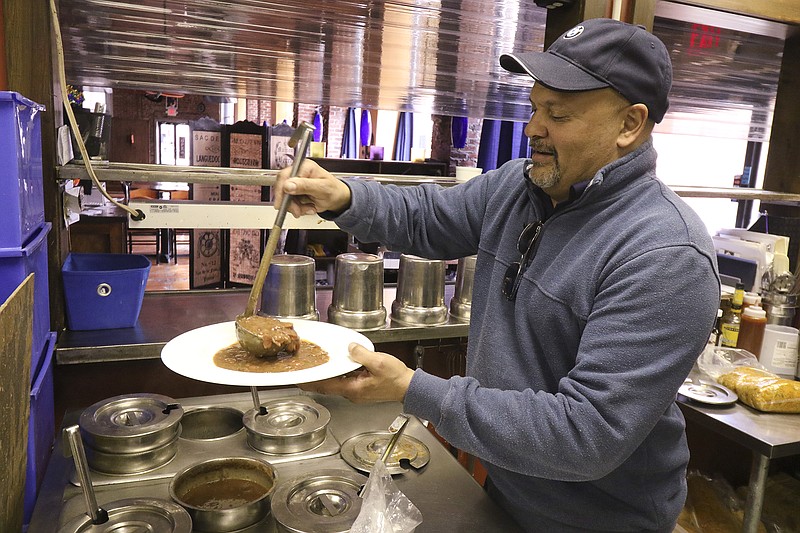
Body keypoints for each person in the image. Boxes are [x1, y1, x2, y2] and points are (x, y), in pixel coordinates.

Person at [274, 18, 720, 533]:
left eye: (558, 114)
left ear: (629, 125)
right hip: (509, 487)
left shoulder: (664, 255)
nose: (533, 129)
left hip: (599, 518)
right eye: (534, 108)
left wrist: (417, 391)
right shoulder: (518, 187)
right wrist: (345, 197)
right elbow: (428, 218)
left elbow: (587, 434)